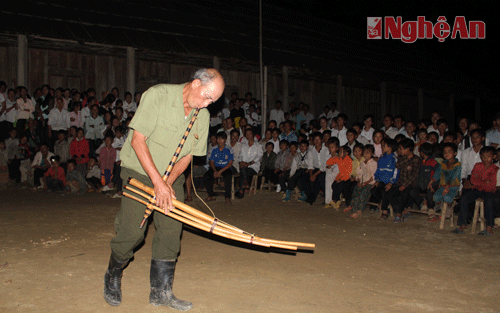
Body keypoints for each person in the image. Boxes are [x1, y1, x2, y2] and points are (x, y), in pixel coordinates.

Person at [104, 68, 224, 310]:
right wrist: (157, 182)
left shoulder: (201, 115)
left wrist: (168, 182)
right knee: (133, 232)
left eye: (214, 101)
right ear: (196, 83)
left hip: (171, 177)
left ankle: (161, 291)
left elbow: (189, 154)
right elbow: (138, 141)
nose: (209, 104)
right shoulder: (158, 95)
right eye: (208, 97)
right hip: (140, 172)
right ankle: (112, 274)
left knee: (170, 230)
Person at [453, 146, 499, 236]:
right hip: (477, 189)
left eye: (488, 156)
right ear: (481, 156)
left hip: (489, 191)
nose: (486, 159)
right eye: (484, 156)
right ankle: (462, 225)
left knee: (489, 201)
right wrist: (484, 182)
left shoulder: (495, 169)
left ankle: (489, 228)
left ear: (494, 157)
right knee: (464, 198)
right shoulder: (478, 165)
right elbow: (473, 180)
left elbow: (491, 185)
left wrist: (479, 182)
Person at [386, 139, 421, 223]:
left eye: (401, 149)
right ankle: (401, 211)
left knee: (405, 193)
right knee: (388, 193)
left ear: (408, 149)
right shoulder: (402, 158)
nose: (399, 150)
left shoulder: (417, 159)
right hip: (400, 183)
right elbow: (397, 165)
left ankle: (398, 214)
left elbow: (414, 175)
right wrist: (407, 158)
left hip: (410, 184)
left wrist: (404, 185)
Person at [427, 143, 461, 221]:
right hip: (442, 186)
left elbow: (453, 177)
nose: (446, 153)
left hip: (453, 187)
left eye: (449, 151)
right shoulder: (442, 164)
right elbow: (438, 173)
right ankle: (443, 210)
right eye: (445, 152)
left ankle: (448, 208)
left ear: (455, 153)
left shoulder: (457, 165)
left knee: (447, 197)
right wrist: (432, 181)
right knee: (436, 197)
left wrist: (447, 187)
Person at [371, 138, 399, 219]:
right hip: (381, 181)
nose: (382, 147)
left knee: (385, 191)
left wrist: (391, 182)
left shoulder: (394, 158)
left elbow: (396, 173)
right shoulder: (382, 157)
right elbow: (378, 170)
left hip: (390, 182)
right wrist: (377, 180)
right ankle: (383, 203)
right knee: (373, 190)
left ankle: (385, 211)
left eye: (384, 146)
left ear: (390, 148)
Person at [202, 131, 233, 204]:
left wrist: (220, 172)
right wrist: (215, 171)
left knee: (228, 176)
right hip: (215, 167)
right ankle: (211, 195)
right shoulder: (214, 149)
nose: (220, 141)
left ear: (225, 140)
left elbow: (230, 163)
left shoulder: (229, 149)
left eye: (222, 139)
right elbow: (211, 162)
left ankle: (227, 197)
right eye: (218, 139)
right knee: (206, 177)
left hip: (225, 168)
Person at [349, 145, 378, 218]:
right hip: (362, 182)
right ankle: (354, 209)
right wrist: (359, 181)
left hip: (369, 183)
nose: (366, 154)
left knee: (362, 194)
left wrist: (365, 183)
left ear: (372, 154)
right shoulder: (363, 163)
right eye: (365, 152)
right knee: (356, 191)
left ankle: (359, 211)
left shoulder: (373, 163)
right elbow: (360, 174)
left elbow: (373, 176)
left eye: (368, 152)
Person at [235, 128, 262, 198]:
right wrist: (241, 161)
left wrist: (249, 163)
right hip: (244, 165)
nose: (248, 135)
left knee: (245, 170)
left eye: (250, 134)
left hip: (253, 166)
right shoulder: (243, 145)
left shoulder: (258, 145)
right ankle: (245, 184)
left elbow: (259, 157)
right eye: (247, 134)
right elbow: (240, 155)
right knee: (243, 168)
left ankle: (242, 188)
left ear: (253, 135)